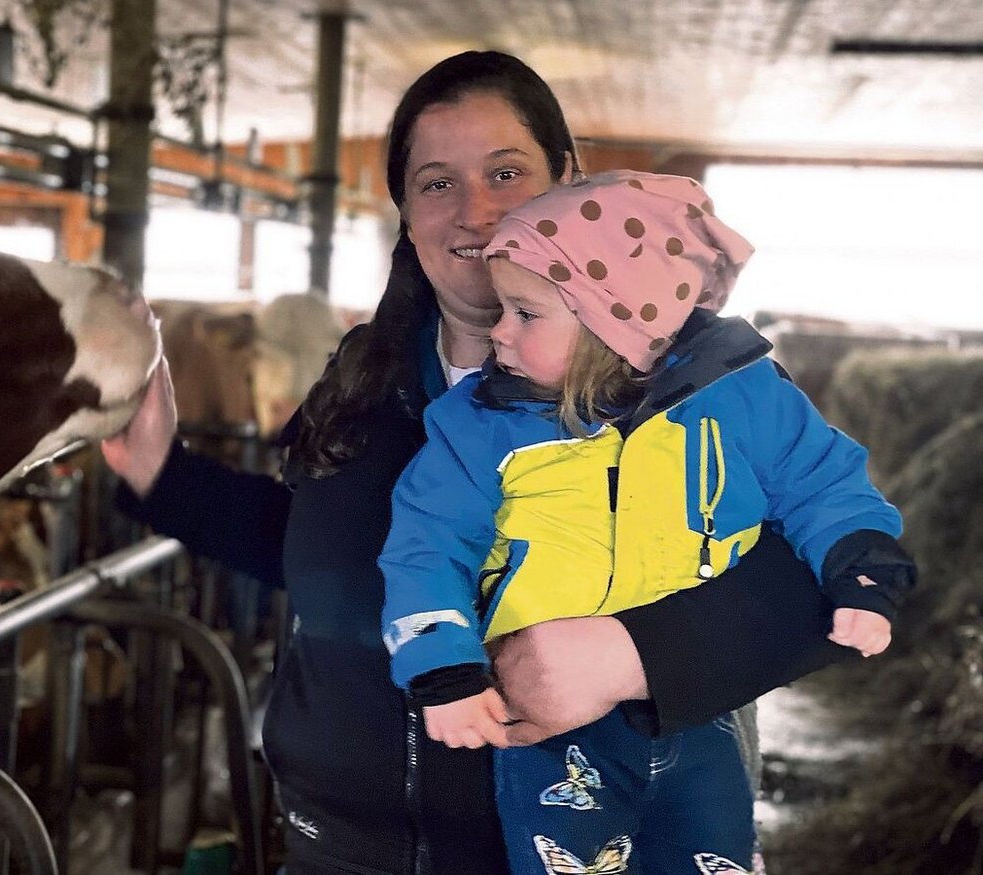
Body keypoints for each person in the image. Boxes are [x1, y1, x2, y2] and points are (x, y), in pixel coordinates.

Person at [102, 51, 851, 875]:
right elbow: (339, 550)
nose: (476, 213)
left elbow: (833, 573)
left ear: (568, 179)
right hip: (341, 851)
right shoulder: (366, 375)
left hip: (585, 850)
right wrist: (164, 478)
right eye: (435, 182)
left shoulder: (696, 383)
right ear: (406, 211)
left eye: (506, 171)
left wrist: (630, 654)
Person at [379, 170, 917, 873]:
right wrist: (442, 665)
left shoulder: (740, 394)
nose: (498, 331)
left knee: (713, 858)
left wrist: (861, 565)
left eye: (525, 312)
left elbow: (820, 479)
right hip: (556, 728)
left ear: (618, 325)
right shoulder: (480, 424)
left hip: (703, 705)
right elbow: (426, 543)